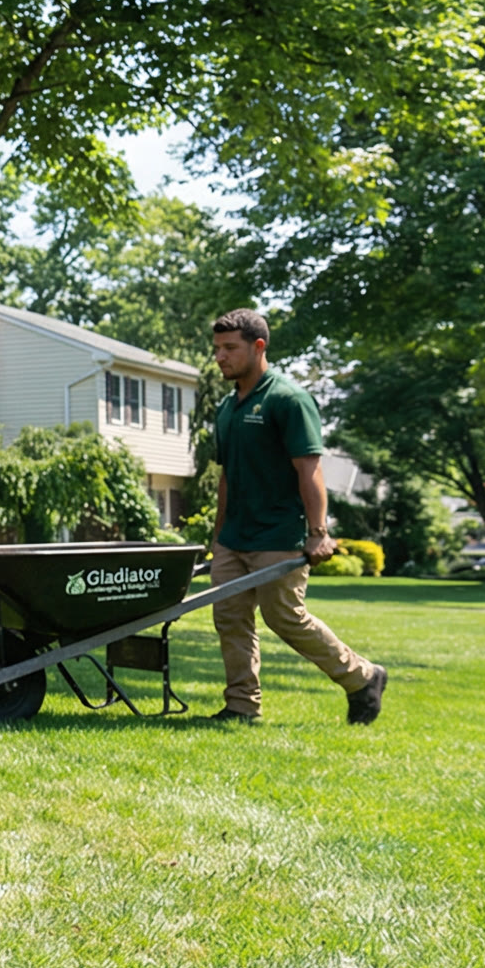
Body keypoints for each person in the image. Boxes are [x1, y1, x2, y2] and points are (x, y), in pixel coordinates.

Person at [206, 308, 386, 725]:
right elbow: (227, 478)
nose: (220, 357)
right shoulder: (227, 408)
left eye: (230, 348)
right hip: (235, 537)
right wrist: (219, 538)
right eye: (216, 349)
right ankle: (241, 706)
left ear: (258, 347)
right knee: (229, 618)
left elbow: (310, 470)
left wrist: (318, 532)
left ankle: (363, 677)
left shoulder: (287, 399)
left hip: (278, 533)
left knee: (285, 617)